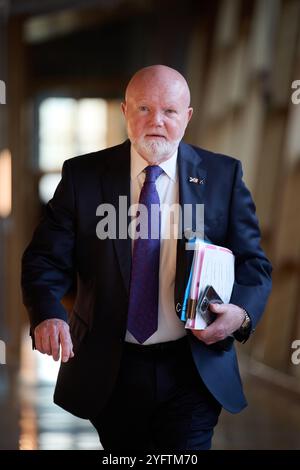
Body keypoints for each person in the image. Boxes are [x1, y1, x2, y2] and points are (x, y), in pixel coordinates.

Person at [21, 64, 272, 450]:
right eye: (143, 109)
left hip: (192, 367)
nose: (156, 121)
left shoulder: (223, 176)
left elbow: (253, 263)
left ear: (187, 117)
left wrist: (240, 315)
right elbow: (44, 260)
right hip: (111, 367)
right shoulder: (83, 177)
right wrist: (48, 312)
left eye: (169, 111)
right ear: (125, 111)